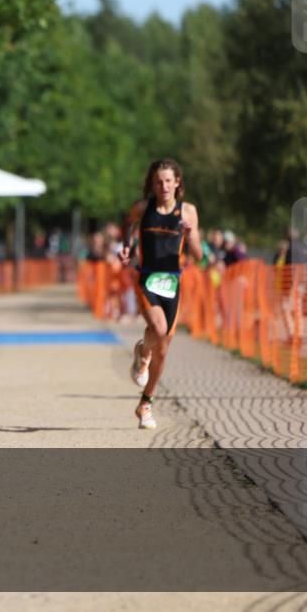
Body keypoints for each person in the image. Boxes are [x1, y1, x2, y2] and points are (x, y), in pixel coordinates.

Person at [118, 159, 203, 429]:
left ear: (177, 182)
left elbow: (198, 256)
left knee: (164, 347)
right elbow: (128, 224)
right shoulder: (143, 208)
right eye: (158, 181)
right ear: (152, 184)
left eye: (168, 180)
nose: (163, 186)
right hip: (147, 279)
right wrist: (127, 247)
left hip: (172, 283)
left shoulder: (187, 212)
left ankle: (145, 404)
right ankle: (143, 353)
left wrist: (189, 236)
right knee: (159, 326)